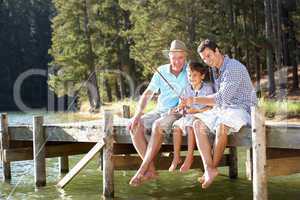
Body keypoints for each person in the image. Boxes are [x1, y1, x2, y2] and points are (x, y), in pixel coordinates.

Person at [185, 39, 257, 189]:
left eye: (209, 55)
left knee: (221, 126)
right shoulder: (215, 69)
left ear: (217, 51)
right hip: (226, 108)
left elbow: (221, 98)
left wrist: (194, 99)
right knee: (197, 123)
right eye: (204, 58)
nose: (207, 60)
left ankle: (212, 168)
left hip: (242, 108)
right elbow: (220, 100)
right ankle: (209, 169)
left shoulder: (233, 68)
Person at [127, 40, 189, 186]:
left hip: (178, 112)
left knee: (158, 125)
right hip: (159, 110)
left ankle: (142, 169)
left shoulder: (189, 70)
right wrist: (137, 115)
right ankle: (151, 170)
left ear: (185, 56)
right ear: (169, 56)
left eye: (180, 58)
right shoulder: (161, 71)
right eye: (174, 58)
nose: (177, 61)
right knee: (135, 125)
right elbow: (147, 94)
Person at [168, 62, 213, 172]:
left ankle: (189, 157)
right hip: (188, 116)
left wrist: (197, 110)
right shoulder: (186, 89)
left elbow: (211, 107)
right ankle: (176, 157)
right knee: (176, 127)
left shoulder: (208, 89)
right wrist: (179, 108)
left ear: (202, 76)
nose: (191, 78)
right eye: (189, 75)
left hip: (202, 116)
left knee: (190, 125)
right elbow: (181, 107)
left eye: (194, 75)